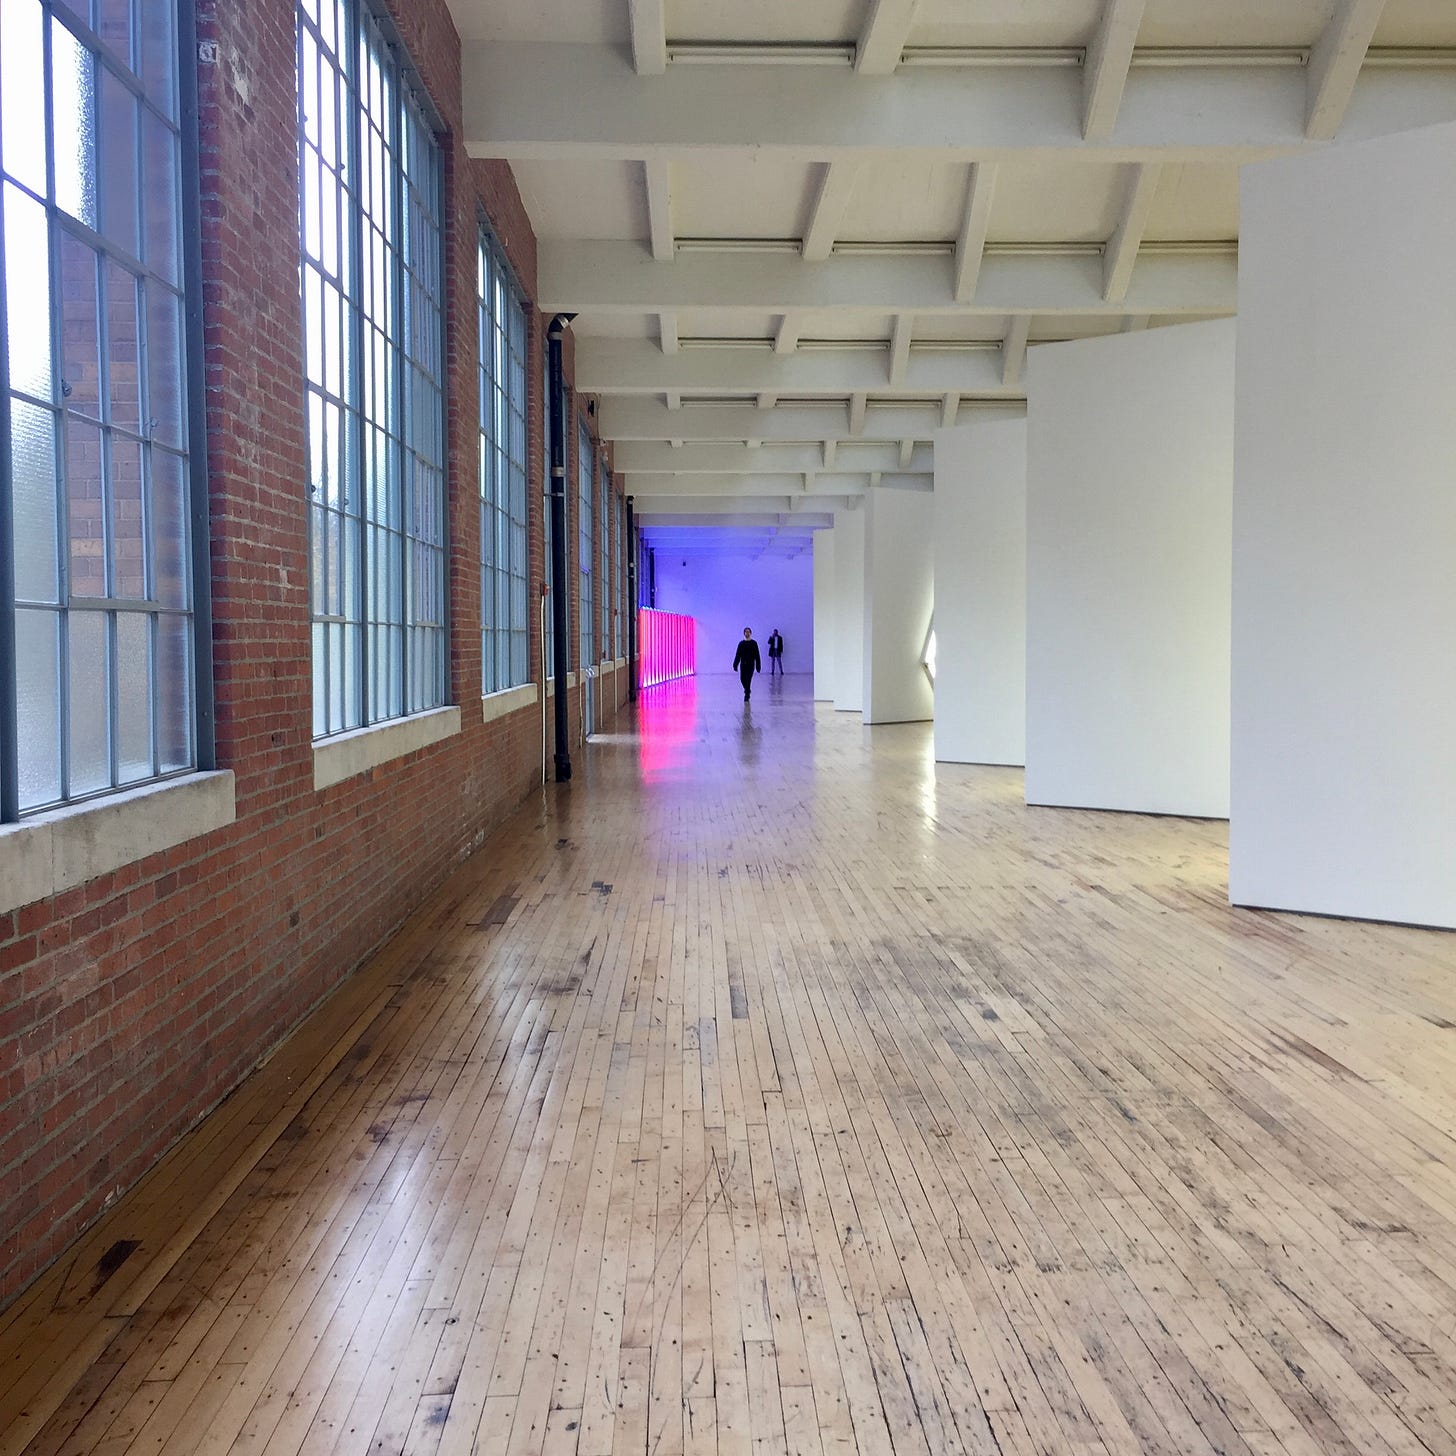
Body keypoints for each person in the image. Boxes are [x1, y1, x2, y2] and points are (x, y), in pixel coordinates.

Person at [732, 627, 761, 701]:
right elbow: (738, 654)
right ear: (744, 633)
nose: (747, 633)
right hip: (743, 664)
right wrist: (735, 665)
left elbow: (757, 655)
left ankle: (747, 695)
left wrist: (758, 666)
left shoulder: (754, 643)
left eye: (748, 632)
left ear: (750, 633)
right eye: (746, 632)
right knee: (742, 679)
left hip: (751, 664)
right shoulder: (741, 644)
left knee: (748, 679)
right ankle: (747, 690)